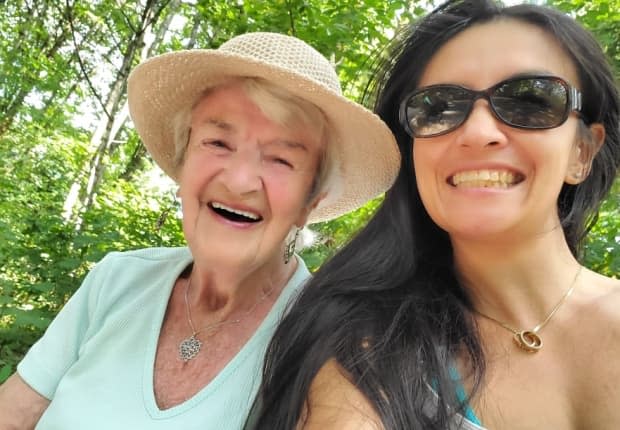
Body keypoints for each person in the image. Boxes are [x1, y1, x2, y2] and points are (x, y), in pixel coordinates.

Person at [247, 1, 620, 429]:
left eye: (530, 100)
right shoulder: (363, 345)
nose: (478, 133)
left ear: (582, 152)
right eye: (438, 106)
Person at [0, 32, 399, 429]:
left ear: (310, 202)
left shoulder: (326, 340)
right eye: (218, 143)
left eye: (280, 159)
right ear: (183, 160)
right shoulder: (117, 279)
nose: (240, 180)